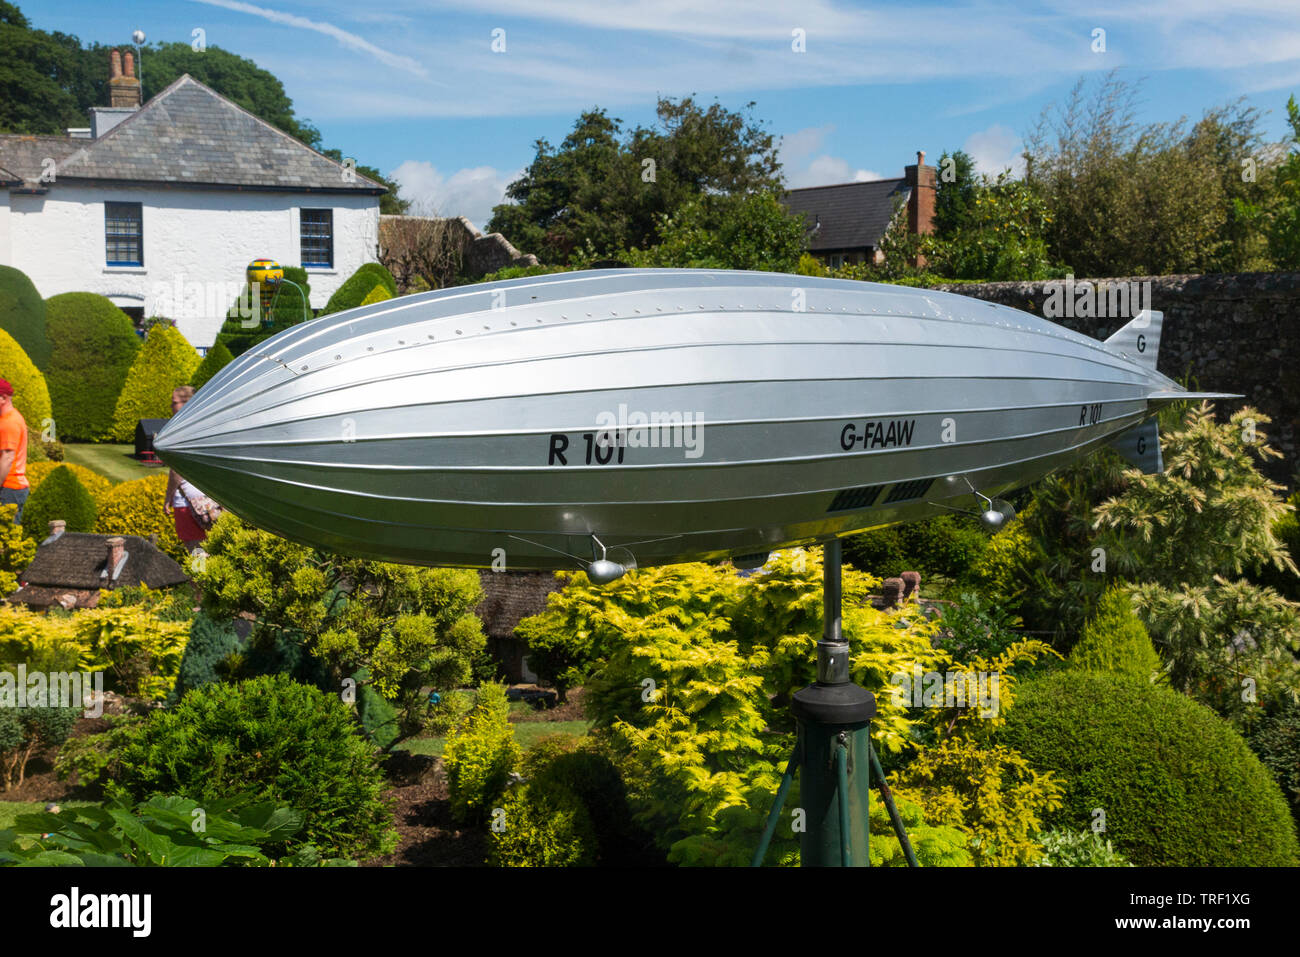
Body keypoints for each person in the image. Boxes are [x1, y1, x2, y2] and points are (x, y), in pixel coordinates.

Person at [163, 386, 208, 552]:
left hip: (187, 502)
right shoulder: (203, 426)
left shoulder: (181, 430)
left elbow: (177, 471)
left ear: (186, 404)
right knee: (210, 547)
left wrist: (168, 498)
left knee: (196, 549)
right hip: (209, 501)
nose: (171, 407)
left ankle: (199, 578)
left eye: (174, 402)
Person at [0, 378, 30, 524]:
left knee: (5, 537)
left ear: (3, 398)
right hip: (9, 488)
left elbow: (7, 458)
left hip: (9, 488)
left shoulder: (9, 423)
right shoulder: (7, 419)